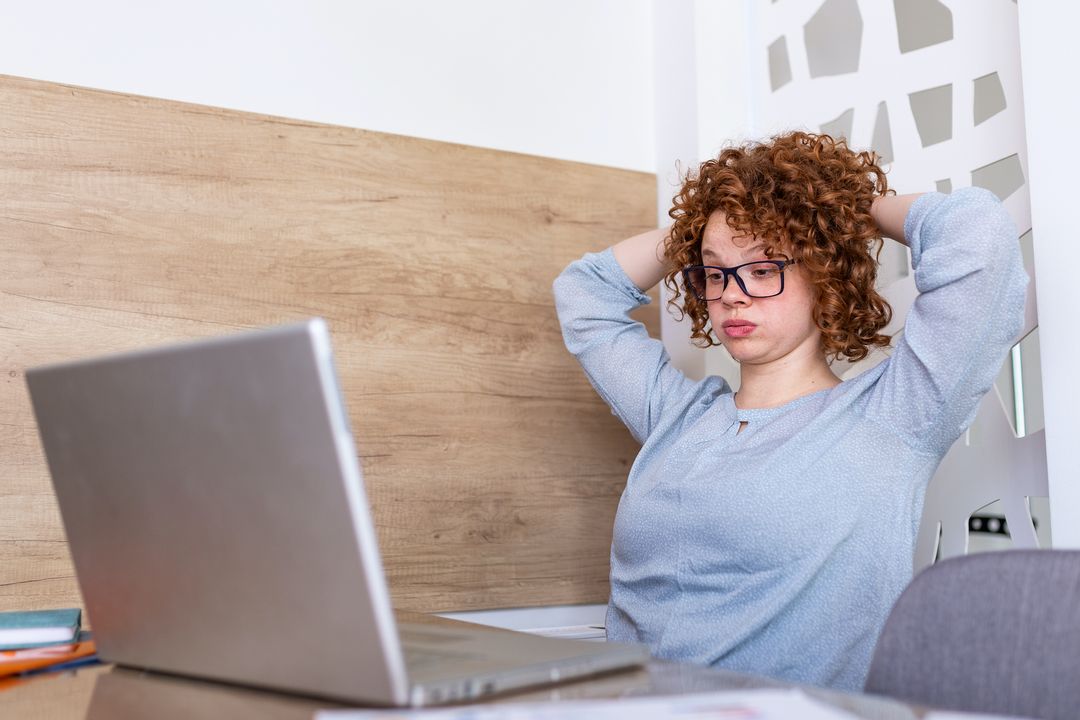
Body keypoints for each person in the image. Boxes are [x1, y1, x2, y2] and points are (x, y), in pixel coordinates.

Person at [552, 131, 1028, 691]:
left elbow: (980, 237)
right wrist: (698, 230)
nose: (732, 293)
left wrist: (842, 212)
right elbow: (584, 294)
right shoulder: (676, 418)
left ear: (824, 275)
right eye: (715, 272)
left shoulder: (895, 418)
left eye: (762, 268)